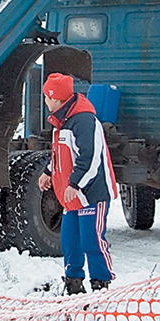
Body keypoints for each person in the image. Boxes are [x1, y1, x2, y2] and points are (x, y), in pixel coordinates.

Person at [38, 73, 117, 295]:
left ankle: (101, 285)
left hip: (91, 193)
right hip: (71, 195)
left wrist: (75, 184)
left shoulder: (84, 120)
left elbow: (90, 158)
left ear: (55, 98)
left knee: (92, 241)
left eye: (46, 96)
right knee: (71, 242)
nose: (45, 101)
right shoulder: (60, 122)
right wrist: (47, 171)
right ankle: (73, 283)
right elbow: (59, 153)